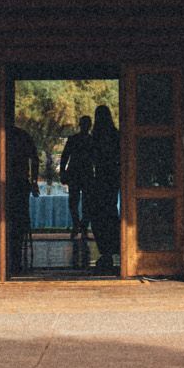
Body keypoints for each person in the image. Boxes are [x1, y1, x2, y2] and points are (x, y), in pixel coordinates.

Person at [84, 101, 120, 273]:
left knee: (99, 217)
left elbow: (90, 160)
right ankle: (111, 252)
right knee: (110, 215)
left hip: (101, 181)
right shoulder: (115, 135)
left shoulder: (96, 138)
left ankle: (106, 252)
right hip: (111, 181)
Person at [59, 115, 93, 268]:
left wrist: (63, 172)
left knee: (79, 201)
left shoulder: (76, 139)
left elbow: (65, 157)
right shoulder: (89, 140)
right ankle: (80, 225)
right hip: (81, 173)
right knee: (79, 201)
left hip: (79, 173)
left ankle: (79, 225)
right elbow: (65, 156)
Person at [7, 122, 40, 274]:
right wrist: (33, 181)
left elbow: (34, 159)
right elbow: (35, 159)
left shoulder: (20, 136)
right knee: (18, 219)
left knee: (18, 219)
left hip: (18, 183)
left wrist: (33, 181)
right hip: (16, 183)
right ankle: (13, 256)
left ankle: (15, 257)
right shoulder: (22, 135)